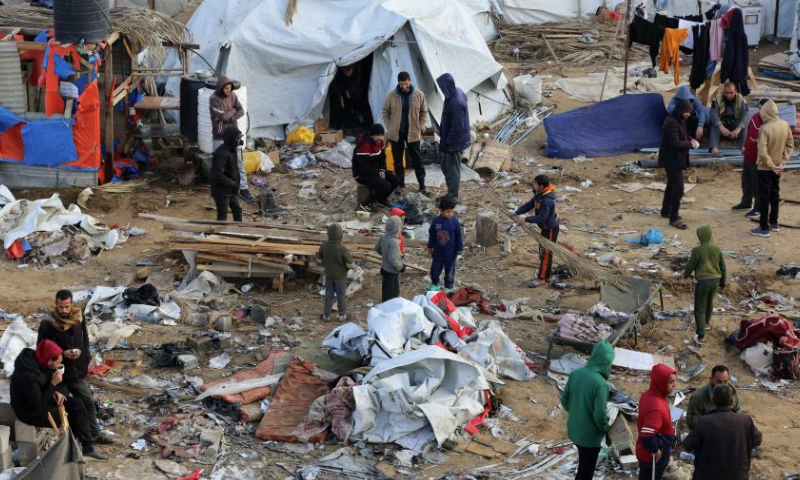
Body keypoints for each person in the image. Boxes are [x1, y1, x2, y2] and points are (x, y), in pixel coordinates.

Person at [38, 290, 113, 446]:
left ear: (71, 304)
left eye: (67, 307)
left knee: (88, 402)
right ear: (56, 305)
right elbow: (42, 350)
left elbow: (84, 337)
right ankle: (68, 441)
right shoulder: (48, 324)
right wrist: (63, 354)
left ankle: (94, 434)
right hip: (59, 375)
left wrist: (86, 355)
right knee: (63, 409)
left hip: (77, 372)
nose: (64, 311)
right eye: (60, 307)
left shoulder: (79, 317)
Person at [10, 340, 106, 460]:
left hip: (39, 398)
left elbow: (41, 385)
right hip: (29, 411)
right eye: (58, 363)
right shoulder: (28, 375)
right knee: (71, 416)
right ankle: (73, 451)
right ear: (50, 360)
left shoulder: (39, 361)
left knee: (77, 404)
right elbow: (37, 405)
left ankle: (87, 448)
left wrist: (54, 392)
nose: (59, 366)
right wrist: (53, 383)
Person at [560, 339, 615, 480]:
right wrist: (605, 429)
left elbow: (564, 400)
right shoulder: (601, 384)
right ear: (606, 362)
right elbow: (599, 415)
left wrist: (578, 412)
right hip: (590, 437)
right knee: (586, 472)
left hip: (574, 430)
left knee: (583, 465)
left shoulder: (576, 373)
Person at [683, 384, 762, 480]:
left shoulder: (705, 421)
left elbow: (688, 445)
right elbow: (757, 440)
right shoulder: (745, 420)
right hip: (738, 475)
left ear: (713, 400)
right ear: (731, 401)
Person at [381, 71, 429, 194]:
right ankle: (400, 184)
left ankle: (422, 185)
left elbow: (424, 112)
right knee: (397, 160)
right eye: (401, 84)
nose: (404, 87)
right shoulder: (392, 96)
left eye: (406, 84)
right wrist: (389, 125)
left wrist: (421, 126)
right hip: (397, 134)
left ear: (410, 81)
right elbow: (385, 111)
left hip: (413, 133)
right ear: (398, 83)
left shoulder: (418, 95)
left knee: (417, 160)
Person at [751, 100, 794, 238]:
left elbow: (762, 153)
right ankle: (774, 223)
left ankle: (764, 228)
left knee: (764, 197)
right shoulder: (785, 124)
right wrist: (781, 163)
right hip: (778, 167)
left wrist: (771, 165)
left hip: (765, 168)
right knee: (775, 194)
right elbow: (790, 145)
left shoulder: (765, 128)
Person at [209, 75, 252, 203]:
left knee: (239, 162)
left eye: (230, 88)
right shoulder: (213, 99)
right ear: (220, 87)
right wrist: (232, 112)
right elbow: (223, 117)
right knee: (219, 165)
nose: (228, 90)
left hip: (233, 135)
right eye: (226, 88)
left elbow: (241, 110)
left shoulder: (233, 95)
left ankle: (243, 189)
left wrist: (230, 115)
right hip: (220, 135)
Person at [658, 98, 698, 230]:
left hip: (675, 160)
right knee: (678, 189)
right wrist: (690, 144)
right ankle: (674, 217)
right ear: (681, 110)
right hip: (671, 160)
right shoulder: (671, 123)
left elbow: (683, 136)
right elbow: (675, 143)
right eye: (687, 112)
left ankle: (666, 210)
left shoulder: (679, 120)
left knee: (671, 186)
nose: (688, 114)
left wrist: (691, 139)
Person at [682, 226, 726, 345]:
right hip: (715, 280)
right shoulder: (717, 249)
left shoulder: (698, 250)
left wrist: (685, 275)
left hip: (703, 282)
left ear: (700, 236)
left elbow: (690, 266)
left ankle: (701, 335)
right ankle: (706, 323)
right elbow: (723, 267)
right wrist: (723, 282)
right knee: (709, 303)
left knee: (699, 308)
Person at [515, 174, 559, 287]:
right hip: (545, 228)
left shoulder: (547, 200)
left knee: (545, 254)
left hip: (550, 229)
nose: (533, 185)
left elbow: (542, 218)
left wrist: (526, 219)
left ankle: (542, 278)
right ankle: (546, 275)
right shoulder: (540, 194)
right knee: (544, 253)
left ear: (541, 186)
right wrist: (518, 212)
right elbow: (531, 204)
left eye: (535, 183)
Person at [636, 363, 677, 480]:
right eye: (670, 382)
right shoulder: (656, 407)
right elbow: (647, 434)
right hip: (652, 459)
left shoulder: (649, 395)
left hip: (648, 455)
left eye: (674, 381)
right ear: (660, 383)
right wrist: (655, 449)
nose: (675, 385)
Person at [436, 73, 470, 203]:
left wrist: (448, 142)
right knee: (447, 167)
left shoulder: (455, 101)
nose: (441, 89)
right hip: (450, 140)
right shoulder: (455, 93)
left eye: (441, 87)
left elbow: (458, 127)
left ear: (446, 86)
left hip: (453, 143)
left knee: (452, 170)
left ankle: (453, 197)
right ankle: (451, 193)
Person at [733, 98, 769, 216]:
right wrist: (745, 146)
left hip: (758, 159)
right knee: (746, 181)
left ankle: (758, 207)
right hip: (748, 155)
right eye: (759, 108)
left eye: (762, 109)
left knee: (756, 184)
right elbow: (748, 133)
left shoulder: (770, 124)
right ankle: (746, 202)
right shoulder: (754, 118)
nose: (760, 111)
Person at [353, 124, 399, 213]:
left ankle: (382, 199)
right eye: (378, 135)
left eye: (381, 135)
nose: (380, 138)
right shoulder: (364, 146)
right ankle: (366, 203)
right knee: (385, 185)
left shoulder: (380, 142)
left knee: (395, 180)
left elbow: (382, 157)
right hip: (361, 174)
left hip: (374, 170)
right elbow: (364, 168)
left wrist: (382, 169)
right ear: (371, 135)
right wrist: (378, 174)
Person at [318, 223, 354, 323]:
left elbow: (319, 258)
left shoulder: (324, 246)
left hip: (329, 275)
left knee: (328, 294)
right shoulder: (342, 248)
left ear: (328, 234)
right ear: (340, 235)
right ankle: (342, 315)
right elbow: (350, 262)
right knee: (341, 295)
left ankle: (326, 315)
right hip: (341, 276)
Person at [686, 365, 741, 430]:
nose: (723, 385)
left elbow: (737, 413)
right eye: (719, 382)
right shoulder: (697, 398)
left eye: (725, 381)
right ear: (711, 380)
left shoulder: (732, 393)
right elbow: (693, 424)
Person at [428, 198, 463, 291]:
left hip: (451, 253)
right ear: (441, 211)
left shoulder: (455, 221)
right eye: (448, 211)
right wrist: (430, 247)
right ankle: (435, 284)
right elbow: (432, 234)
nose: (450, 213)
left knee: (450, 271)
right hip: (438, 252)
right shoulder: (436, 221)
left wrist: (459, 250)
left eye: (451, 211)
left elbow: (459, 235)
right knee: (435, 270)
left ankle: (448, 287)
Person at [211, 127, 244, 222]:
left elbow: (233, 170)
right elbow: (218, 175)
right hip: (221, 190)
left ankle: (239, 230)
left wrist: (235, 185)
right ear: (231, 140)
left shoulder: (232, 150)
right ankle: (219, 234)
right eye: (237, 139)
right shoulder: (221, 154)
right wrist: (232, 183)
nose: (239, 141)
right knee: (222, 215)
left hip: (230, 188)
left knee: (237, 210)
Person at [708, 82, 748, 157]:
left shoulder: (741, 99)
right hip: (722, 122)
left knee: (743, 125)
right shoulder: (717, 98)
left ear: (735, 91)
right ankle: (714, 150)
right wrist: (721, 126)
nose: (729, 95)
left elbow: (746, 114)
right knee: (715, 125)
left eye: (731, 93)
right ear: (723, 91)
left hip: (734, 122)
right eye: (727, 93)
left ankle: (743, 147)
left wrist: (738, 129)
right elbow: (713, 113)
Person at [375, 216, 405, 302]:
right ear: (397, 228)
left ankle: (385, 304)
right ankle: (390, 310)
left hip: (384, 268)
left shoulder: (384, 236)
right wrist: (401, 267)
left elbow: (377, 249)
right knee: (393, 293)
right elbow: (393, 259)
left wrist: (385, 254)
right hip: (392, 271)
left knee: (386, 290)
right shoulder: (394, 242)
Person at [329, 65, 368, 130]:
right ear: (342, 70)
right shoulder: (336, 72)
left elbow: (355, 82)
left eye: (350, 71)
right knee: (338, 105)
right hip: (339, 87)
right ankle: (338, 123)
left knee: (349, 102)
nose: (349, 73)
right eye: (347, 71)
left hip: (349, 88)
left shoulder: (356, 71)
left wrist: (349, 90)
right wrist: (339, 95)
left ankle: (347, 120)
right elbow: (334, 85)